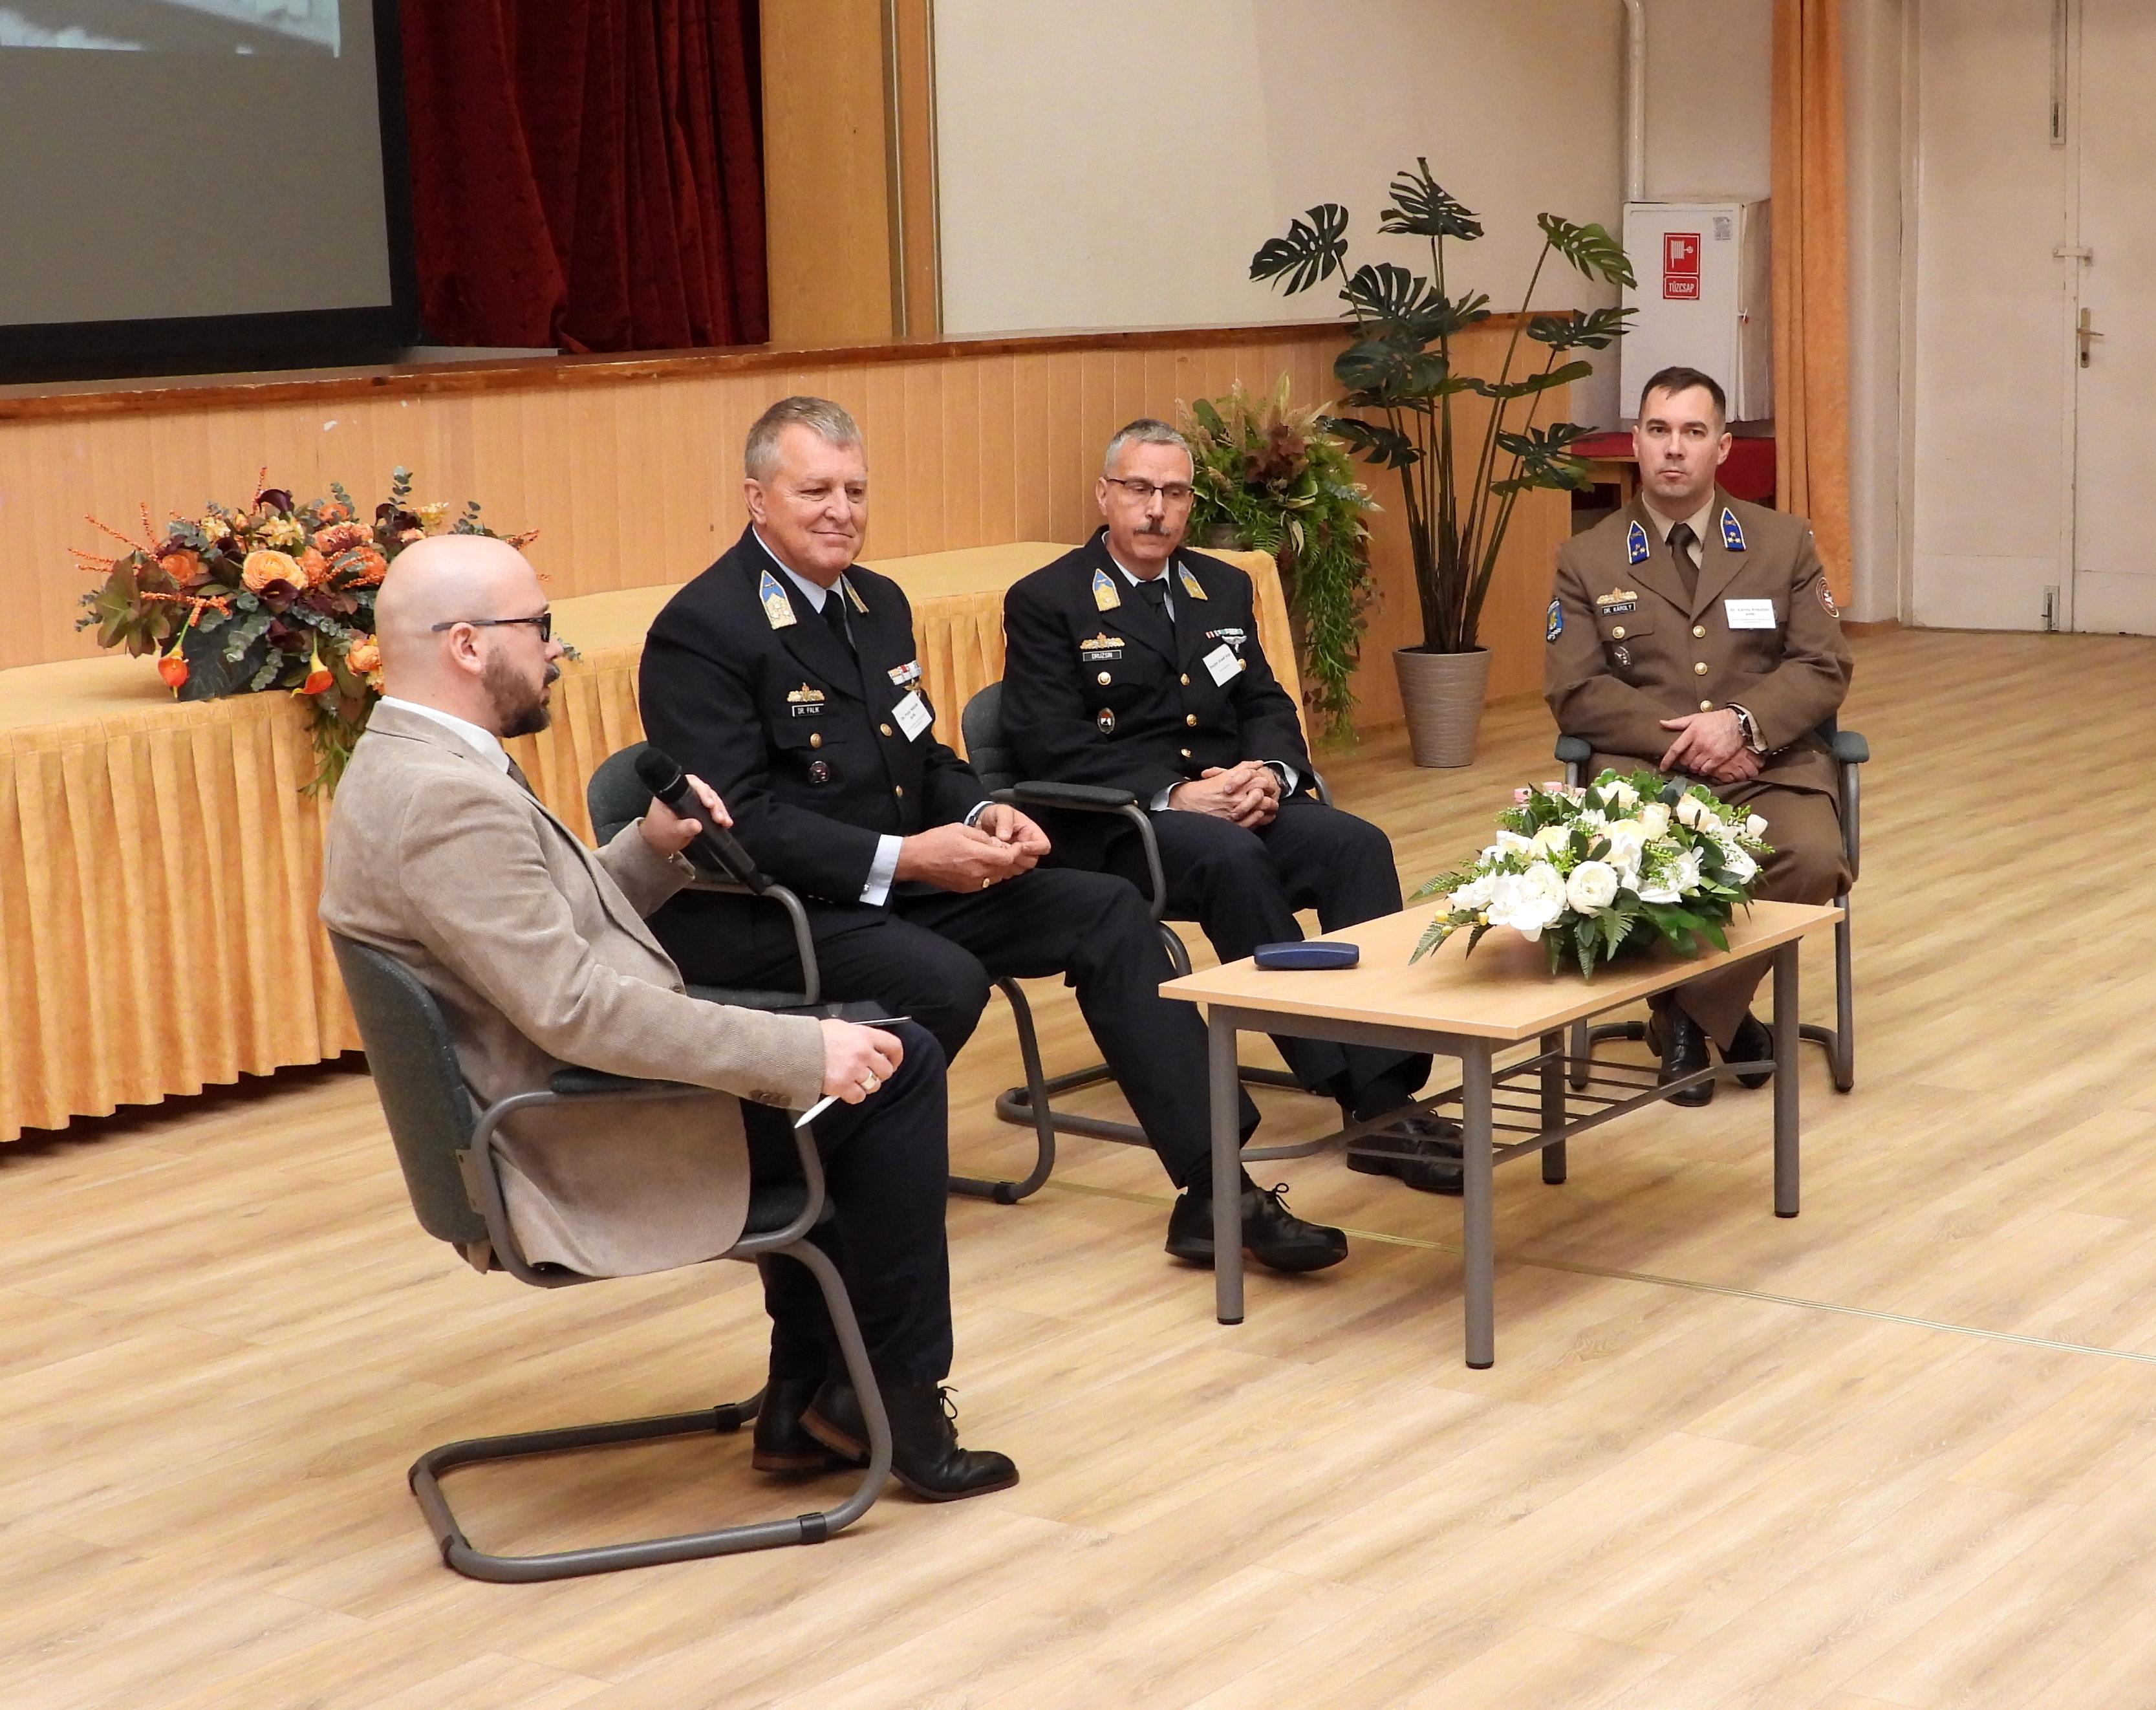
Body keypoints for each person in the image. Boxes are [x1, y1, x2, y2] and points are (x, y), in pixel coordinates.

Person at [319, 532, 1015, 1501]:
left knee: (858, 1052)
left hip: (550, 1097)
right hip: (568, 1135)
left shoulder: (410, 761)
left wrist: (649, 850)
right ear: (469, 646)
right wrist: (800, 1051)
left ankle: (808, 1401)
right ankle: (893, 1404)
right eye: (541, 627)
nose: (556, 651)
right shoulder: (444, 799)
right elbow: (575, 1009)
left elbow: (545, 937)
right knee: (893, 1071)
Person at [637, 395, 1349, 1273]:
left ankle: (1215, 1191)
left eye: (855, 491)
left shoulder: (875, 601)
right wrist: (909, 856)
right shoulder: (705, 626)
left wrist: (981, 812)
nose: (840, 512)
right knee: (944, 978)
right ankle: (778, 1169)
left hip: (905, 882)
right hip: (784, 905)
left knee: (1108, 911)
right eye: (814, 491)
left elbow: (921, 752)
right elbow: (735, 821)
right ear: (756, 499)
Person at [998, 418, 1457, 1194]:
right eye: (1139, 489)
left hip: (1233, 800)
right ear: (1104, 495)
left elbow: (1262, 701)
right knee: (1231, 856)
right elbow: (1046, 745)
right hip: (1120, 825)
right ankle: (1351, 1086)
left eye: (1174, 493)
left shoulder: (1221, 585)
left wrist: (1270, 772)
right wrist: (1176, 794)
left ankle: (1385, 1090)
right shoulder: (1049, 599)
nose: (1157, 509)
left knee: (1355, 844)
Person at [1544, 366, 1853, 1101]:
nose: (1674, 449)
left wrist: (1740, 725)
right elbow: (1575, 689)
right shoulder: (1588, 556)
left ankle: (1685, 1016)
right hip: (1644, 774)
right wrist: (1687, 741)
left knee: (1813, 858)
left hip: (1766, 764)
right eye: (1658, 430)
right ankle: (1729, 1021)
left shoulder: (1782, 542)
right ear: (1636, 442)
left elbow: (1824, 665)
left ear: (1722, 446)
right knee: (1638, 861)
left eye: (1692, 431)